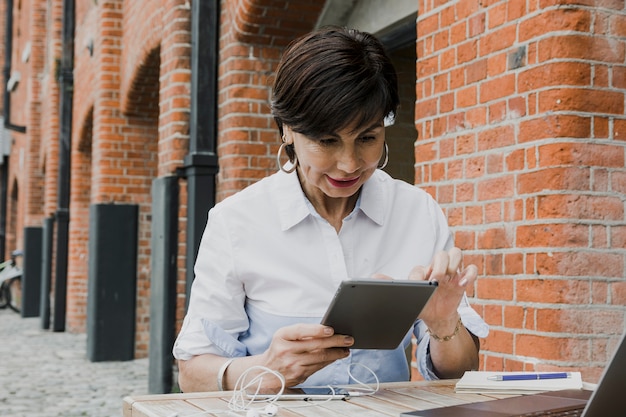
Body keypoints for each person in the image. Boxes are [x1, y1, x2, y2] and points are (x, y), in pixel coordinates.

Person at [173, 25, 489, 393]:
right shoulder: (236, 221)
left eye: (367, 138)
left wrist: (444, 322)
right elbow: (192, 374)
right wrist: (267, 368)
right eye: (326, 141)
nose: (349, 164)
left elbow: (459, 375)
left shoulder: (418, 213)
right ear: (287, 129)